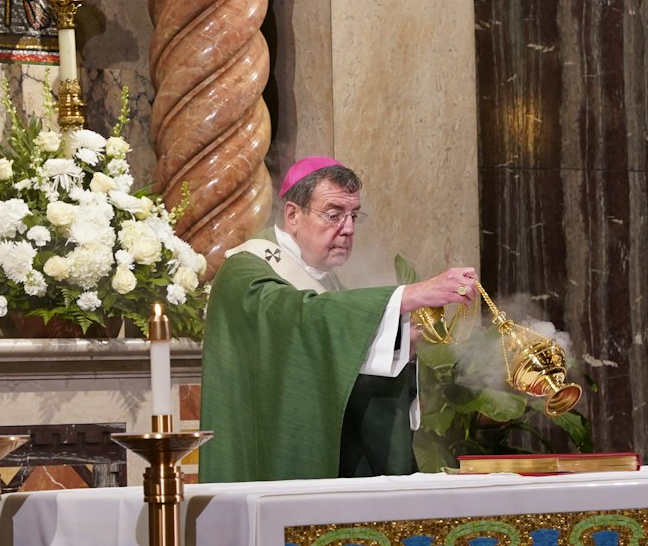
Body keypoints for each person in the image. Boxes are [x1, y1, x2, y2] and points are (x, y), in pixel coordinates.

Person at [199, 156, 479, 482]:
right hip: (265, 455)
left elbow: (332, 351)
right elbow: (298, 318)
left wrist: (401, 343)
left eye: (354, 216)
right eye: (333, 215)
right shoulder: (246, 270)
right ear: (292, 215)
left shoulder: (322, 278)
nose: (347, 229)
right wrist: (410, 295)